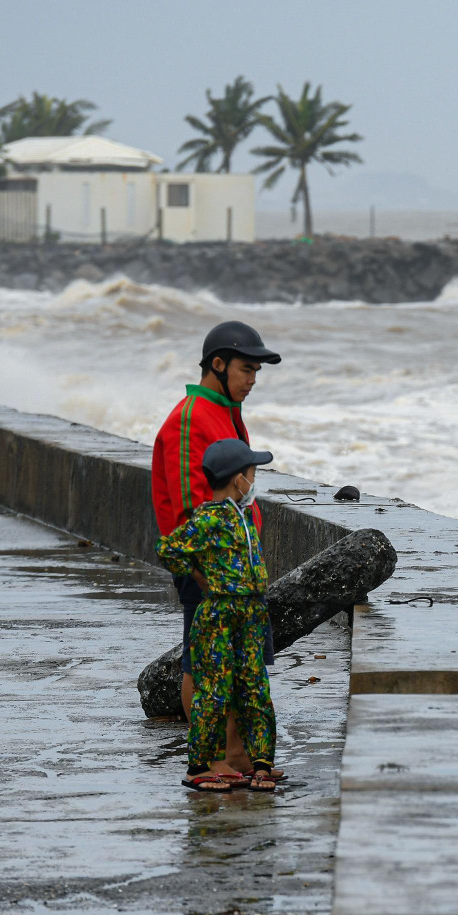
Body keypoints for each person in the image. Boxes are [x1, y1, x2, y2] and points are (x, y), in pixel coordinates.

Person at [151, 321, 282, 782]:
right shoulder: (193, 414)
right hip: (210, 575)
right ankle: (212, 761)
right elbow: (191, 508)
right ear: (218, 365)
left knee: (238, 672)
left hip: (234, 579)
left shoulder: (224, 410)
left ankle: (241, 759)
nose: (252, 380)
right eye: (247, 369)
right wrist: (213, 583)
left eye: (257, 372)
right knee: (204, 667)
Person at [157, 439, 278, 793]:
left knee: (255, 686)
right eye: (252, 472)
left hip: (251, 612)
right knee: (213, 689)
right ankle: (200, 767)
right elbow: (168, 548)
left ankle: (261, 764)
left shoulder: (241, 515)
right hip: (219, 614)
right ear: (238, 479)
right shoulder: (209, 517)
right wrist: (196, 574)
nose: (254, 480)